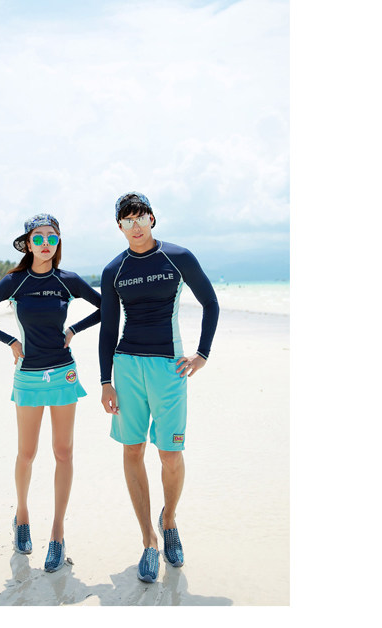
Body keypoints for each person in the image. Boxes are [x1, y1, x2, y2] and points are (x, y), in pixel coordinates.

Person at [0, 213, 101, 572]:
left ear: (58, 243)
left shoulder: (68, 280)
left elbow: (107, 307)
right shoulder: (16, 282)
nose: (45, 243)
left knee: (63, 452)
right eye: (37, 237)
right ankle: (22, 516)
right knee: (26, 453)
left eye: (51, 237)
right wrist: (10, 341)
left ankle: (57, 533)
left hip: (63, 374)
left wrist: (74, 329)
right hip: (27, 376)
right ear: (27, 244)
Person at [98, 192, 220, 583]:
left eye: (140, 217)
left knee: (170, 453)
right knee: (133, 449)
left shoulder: (177, 257)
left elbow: (210, 302)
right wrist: (105, 381)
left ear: (152, 219)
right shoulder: (114, 270)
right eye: (127, 220)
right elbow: (108, 329)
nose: (135, 226)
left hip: (169, 368)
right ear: (119, 226)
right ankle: (149, 541)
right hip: (127, 367)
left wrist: (202, 353)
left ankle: (168, 520)